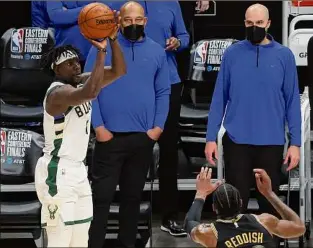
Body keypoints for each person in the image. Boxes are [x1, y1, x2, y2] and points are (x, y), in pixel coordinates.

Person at [84, 2, 171, 248]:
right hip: (108, 138)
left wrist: (157, 129)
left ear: (145, 20)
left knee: (132, 200)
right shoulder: (101, 48)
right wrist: (98, 127)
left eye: (138, 19)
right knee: (100, 200)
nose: (133, 24)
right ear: (119, 20)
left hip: (141, 139)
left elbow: (163, 92)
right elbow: (89, 89)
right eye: (128, 20)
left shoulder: (156, 51)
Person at [204, 3, 301, 215]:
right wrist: (210, 137)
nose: (254, 26)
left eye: (259, 23)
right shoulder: (232, 54)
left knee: (270, 206)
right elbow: (219, 97)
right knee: (235, 208)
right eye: (249, 23)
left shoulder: (284, 56)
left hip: (271, 142)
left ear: (268, 24)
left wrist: (296, 143)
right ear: (244, 23)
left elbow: (293, 101)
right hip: (237, 141)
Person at [34, 25, 126, 247]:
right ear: (57, 70)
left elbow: (119, 71)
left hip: (78, 170)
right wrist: (101, 52)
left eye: (77, 60)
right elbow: (91, 92)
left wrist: (113, 39)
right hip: (57, 171)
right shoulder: (57, 93)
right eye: (69, 63)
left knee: (80, 240)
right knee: (60, 241)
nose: (76, 65)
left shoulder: (80, 81)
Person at [106, 0, 190, 236]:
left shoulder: (171, 3)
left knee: (168, 150)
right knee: (120, 146)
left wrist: (178, 41)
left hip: (167, 81)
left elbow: (184, 35)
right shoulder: (118, 3)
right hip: (128, 82)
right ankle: (115, 216)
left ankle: (170, 216)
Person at [184, 167, 306, 248]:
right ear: (241, 203)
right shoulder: (264, 221)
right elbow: (299, 227)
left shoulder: (209, 233)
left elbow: (189, 222)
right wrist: (269, 193)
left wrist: (201, 193)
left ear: (214, 208)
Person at [46, 1, 94, 66]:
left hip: (93, 54)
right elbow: (57, 17)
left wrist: (69, 12)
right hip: (65, 55)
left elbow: (104, 12)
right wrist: (89, 10)